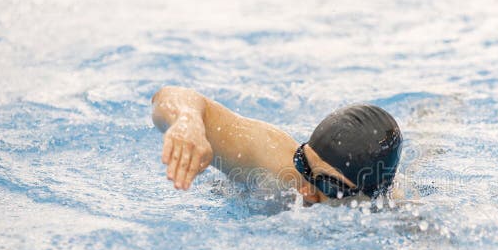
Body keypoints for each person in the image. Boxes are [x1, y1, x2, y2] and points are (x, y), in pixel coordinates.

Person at [151, 86, 403, 204]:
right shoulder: (270, 156)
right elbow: (167, 97)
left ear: (367, 196)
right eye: (302, 163)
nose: (304, 190)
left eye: (328, 185)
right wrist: (187, 120)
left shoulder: (394, 218)